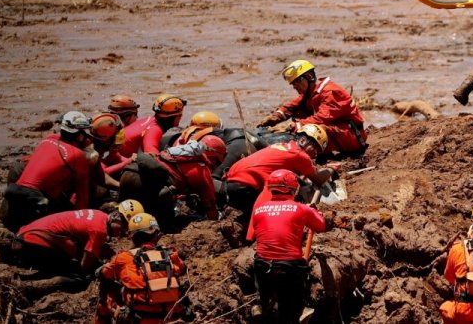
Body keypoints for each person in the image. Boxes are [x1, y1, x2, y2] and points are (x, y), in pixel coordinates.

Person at [247, 169, 329, 324]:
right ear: (293, 187)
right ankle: (300, 309)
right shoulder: (302, 208)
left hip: (261, 265)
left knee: (267, 298)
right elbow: (321, 226)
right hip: (289, 268)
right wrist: (313, 213)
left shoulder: (258, 209)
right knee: (291, 310)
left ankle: (264, 306)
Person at [0, 200, 141, 280]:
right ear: (116, 216)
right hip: (32, 242)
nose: (122, 233)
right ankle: (28, 282)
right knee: (79, 277)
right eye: (123, 228)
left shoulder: (99, 214)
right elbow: (85, 266)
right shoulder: (99, 231)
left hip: (27, 232)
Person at [0, 111, 94, 232]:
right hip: (36, 205)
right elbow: (82, 198)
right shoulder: (78, 156)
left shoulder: (47, 139)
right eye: (85, 132)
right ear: (79, 136)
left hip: (11, 198)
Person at [225, 124, 335, 226]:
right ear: (303, 140)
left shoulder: (282, 146)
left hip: (229, 184)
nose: (315, 154)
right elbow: (319, 180)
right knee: (278, 213)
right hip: (245, 189)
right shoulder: (300, 155)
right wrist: (331, 169)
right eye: (314, 148)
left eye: (317, 151)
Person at [257, 60, 367, 158]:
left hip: (353, 137)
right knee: (298, 112)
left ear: (309, 77)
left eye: (297, 82)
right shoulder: (311, 92)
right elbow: (292, 105)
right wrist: (276, 116)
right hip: (339, 131)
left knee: (314, 130)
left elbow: (322, 118)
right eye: (293, 84)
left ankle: (303, 157)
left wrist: (293, 126)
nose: (295, 86)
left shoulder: (330, 92)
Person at [95, 212, 188, 324]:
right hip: (174, 317)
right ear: (156, 234)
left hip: (140, 320)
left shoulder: (124, 257)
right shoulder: (170, 254)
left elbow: (103, 274)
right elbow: (182, 269)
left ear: (132, 236)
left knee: (106, 289)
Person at [118, 135, 227, 229]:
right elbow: (210, 203)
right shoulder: (202, 170)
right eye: (217, 162)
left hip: (128, 172)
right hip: (144, 185)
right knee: (164, 220)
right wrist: (214, 221)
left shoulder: (179, 152)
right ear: (213, 158)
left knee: (122, 213)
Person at [119, 94, 185, 159]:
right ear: (173, 117)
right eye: (180, 116)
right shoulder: (155, 129)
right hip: (120, 160)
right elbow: (151, 156)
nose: (181, 118)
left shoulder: (150, 120)